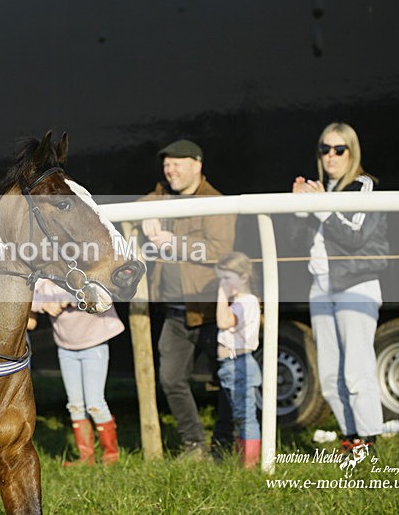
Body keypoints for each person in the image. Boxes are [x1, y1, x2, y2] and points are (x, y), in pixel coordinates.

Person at [291, 121, 388, 451]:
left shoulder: (363, 186)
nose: (330, 156)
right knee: (330, 374)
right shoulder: (320, 190)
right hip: (320, 286)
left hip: (355, 284)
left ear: (351, 152)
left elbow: (354, 236)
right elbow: (296, 243)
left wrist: (320, 207)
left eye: (338, 149)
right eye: (324, 149)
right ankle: (351, 437)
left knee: (357, 370)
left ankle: (368, 440)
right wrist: (297, 207)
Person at [140, 139, 236, 460]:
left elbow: (219, 250)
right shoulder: (163, 195)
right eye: (166, 165)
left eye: (176, 164)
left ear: (197, 165)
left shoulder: (215, 202)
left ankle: (224, 444)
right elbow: (140, 203)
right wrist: (144, 214)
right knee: (171, 379)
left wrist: (175, 242)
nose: (169, 171)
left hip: (209, 309)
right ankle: (194, 444)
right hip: (175, 311)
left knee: (226, 379)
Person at [30, 279, 124, 466]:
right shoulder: (42, 281)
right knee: (75, 405)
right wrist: (44, 305)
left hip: (94, 344)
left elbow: (100, 291)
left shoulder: (82, 271)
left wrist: (67, 297)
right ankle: (86, 457)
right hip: (66, 347)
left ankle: (111, 456)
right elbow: (28, 296)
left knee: (95, 403)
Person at [215, 252, 261, 468]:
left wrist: (221, 295)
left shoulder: (246, 302)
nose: (223, 283)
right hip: (231, 365)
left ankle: (249, 464)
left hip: (239, 364)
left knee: (246, 416)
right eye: (220, 279)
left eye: (227, 278)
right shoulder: (241, 302)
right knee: (240, 415)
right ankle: (243, 458)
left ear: (244, 277)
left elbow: (224, 321)